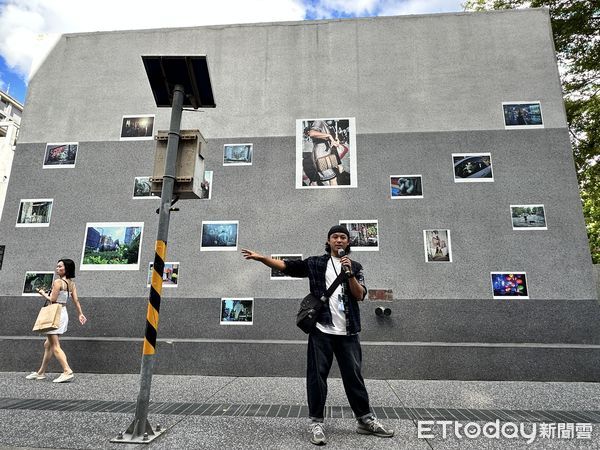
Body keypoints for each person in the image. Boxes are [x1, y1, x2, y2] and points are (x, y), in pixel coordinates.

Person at [241, 225, 394, 446]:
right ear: (329, 241)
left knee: (354, 377)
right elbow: (287, 266)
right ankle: (316, 422)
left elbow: (360, 295)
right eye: (335, 237)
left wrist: (348, 273)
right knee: (317, 377)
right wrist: (262, 258)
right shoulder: (315, 263)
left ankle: (365, 420)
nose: (339, 240)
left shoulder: (355, 266)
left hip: (348, 331)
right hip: (321, 330)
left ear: (348, 242)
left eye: (343, 237)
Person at [26, 259, 87, 383]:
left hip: (54, 313)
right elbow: (76, 300)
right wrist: (80, 313)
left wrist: (42, 293)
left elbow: (52, 299)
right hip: (63, 313)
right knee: (47, 344)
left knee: (55, 346)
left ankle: (67, 371)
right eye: (57, 266)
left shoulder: (58, 282)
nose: (57, 268)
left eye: (60, 266)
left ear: (66, 269)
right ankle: (41, 372)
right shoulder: (71, 283)